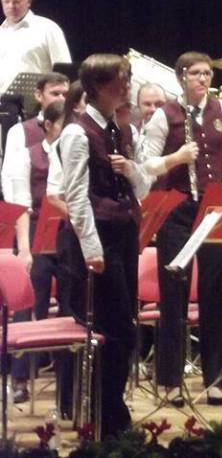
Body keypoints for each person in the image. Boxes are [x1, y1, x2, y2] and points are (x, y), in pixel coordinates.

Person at [142, 52, 222, 406]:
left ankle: (215, 379)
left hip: (214, 209)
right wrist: (176, 159)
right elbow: (147, 164)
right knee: (174, 296)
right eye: (196, 73)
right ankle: (170, 382)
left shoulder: (221, 109)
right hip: (178, 211)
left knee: (216, 292)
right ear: (181, 76)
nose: (203, 79)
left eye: (208, 73)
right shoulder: (165, 115)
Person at [58, 54, 148, 436]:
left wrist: (132, 169)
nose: (127, 86)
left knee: (124, 328)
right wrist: (93, 250)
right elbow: (76, 196)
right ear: (98, 86)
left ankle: (110, 414)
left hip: (124, 235)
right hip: (99, 240)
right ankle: (110, 418)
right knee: (117, 330)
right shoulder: (77, 133)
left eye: (128, 78)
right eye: (120, 80)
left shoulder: (122, 129)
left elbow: (143, 187)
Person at [7, 101, 76, 410]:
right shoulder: (27, 155)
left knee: (70, 309)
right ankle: (21, 378)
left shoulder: (74, 154)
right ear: (48, 125)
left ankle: (67, 383)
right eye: (63, 123)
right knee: (30, 307)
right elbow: (21, 204)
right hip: (36, 235)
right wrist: (24, 249)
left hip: (68, 235)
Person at [1, 72, 69, 196]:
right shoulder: (19, 131)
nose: (62, 99)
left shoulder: (76, 128)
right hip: (32, 206)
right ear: (38, 95)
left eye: (65, 94)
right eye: (55, 94)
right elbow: (8, 178)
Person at [0, 0, 71, 94]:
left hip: (38, 101)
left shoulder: (48, 28)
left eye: (16, 1)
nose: (11, 6)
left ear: (29, 2)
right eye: (7, 2)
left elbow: (64, 71)